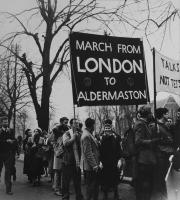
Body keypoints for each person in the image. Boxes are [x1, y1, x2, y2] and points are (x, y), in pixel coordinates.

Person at [134, 106, 158, 200]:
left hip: (146, 159)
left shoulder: (144, 123)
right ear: (147, 114)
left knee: (147, 184)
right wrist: (152, 141)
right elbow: (138, 141)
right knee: (146, 185)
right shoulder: (141, 124)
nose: (151, 114)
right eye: (150, 113)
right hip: (144, 159)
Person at [152, 107, 174, 200]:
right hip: (160, 156)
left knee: (165, 178)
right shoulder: (155, 126)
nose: (168, 116)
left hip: (166, 156)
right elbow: (155, 142)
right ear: (163, 115)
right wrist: (166, 141)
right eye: (167, 114)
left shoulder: (164, 126)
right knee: (161, 179)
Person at [100, 119, 122, 200]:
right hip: (105, 162)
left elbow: (119, 150)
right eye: (106, 128)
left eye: (109, 128)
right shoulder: (101, 138)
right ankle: (105, 195)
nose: (107, 130)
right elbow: (100, 151)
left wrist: (119, 160)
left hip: (114, 162)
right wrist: (100, 161)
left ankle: (116, 194)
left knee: (115, 178)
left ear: (111, 129)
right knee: (105, 179)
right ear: (104, 129)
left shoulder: (115, 137)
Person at [62, 118, 83, 200]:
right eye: (75, 123)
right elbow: (65, 143)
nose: (77, 125)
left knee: (77, 182)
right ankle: (65, 197)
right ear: (71, 125)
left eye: (78, 123)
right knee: (66, 183)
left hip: (77, 162)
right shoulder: (67, 133)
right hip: (68, 162)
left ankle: (79, 197)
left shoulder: (80, 133)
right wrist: (73, 138)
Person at [81, 118, 100, 200]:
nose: (94, 127)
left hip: (91, 166)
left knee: (93, 186)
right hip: (90, 167)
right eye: (94, 125)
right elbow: (88, 153)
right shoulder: (86, 136)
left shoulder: (88, 134)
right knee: (90, 187)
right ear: (91, 125)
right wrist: (94, 165)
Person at [0, 119, 16, 195]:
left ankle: (8, 189)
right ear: (1, 123)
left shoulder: (11, 131)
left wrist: (12, 141)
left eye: (7, 122)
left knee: (8, 172)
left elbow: (14, 140)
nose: (6, 123)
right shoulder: (0, 131)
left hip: (8, 154)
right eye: (4, 122)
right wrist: (6, 141)